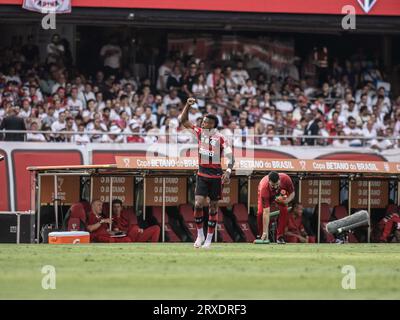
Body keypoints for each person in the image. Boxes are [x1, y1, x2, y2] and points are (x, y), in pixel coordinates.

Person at [179, 97, 234, 249]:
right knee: (197, 204)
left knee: (213, 207)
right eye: (202, 122)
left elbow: (231, 157)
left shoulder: (221, 139)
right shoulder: (199, 133)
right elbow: (183, 121)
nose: (202, 124)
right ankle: (200, 235)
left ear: (212, 125)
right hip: (202, 175)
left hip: (216, 177)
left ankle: (209, 240)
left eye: (205, 122)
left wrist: (228, 172)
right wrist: (187, 105)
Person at [257, 171, 295, 244]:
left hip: (279, 195)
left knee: (284, 210)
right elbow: (266, 212)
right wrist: (265, 231)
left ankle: (280, 237)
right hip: (267, 193)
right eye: (272, 185)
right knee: (260, 213)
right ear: (269, 182)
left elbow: (292, 193)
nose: (275, 187)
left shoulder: (286, 179)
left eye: (277, 184)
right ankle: (262, 235)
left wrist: (287, 201)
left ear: (279, 180)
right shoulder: (264, 187)